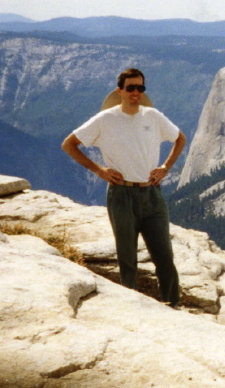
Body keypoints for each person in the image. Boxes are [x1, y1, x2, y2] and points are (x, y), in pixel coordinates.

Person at [62, 68, 187, 307]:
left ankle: (173, 304)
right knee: (127, 259)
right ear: (120, 91)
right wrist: (99, 170)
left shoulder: (153, 116)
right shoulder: (104, 119)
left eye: (140, 88)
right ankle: (130, 309)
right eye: (130, 88)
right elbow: (69, 144)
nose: (136, 92)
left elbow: (180, 138)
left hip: (152, 194)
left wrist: (166, 167)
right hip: (122, 195)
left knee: (165, 257)